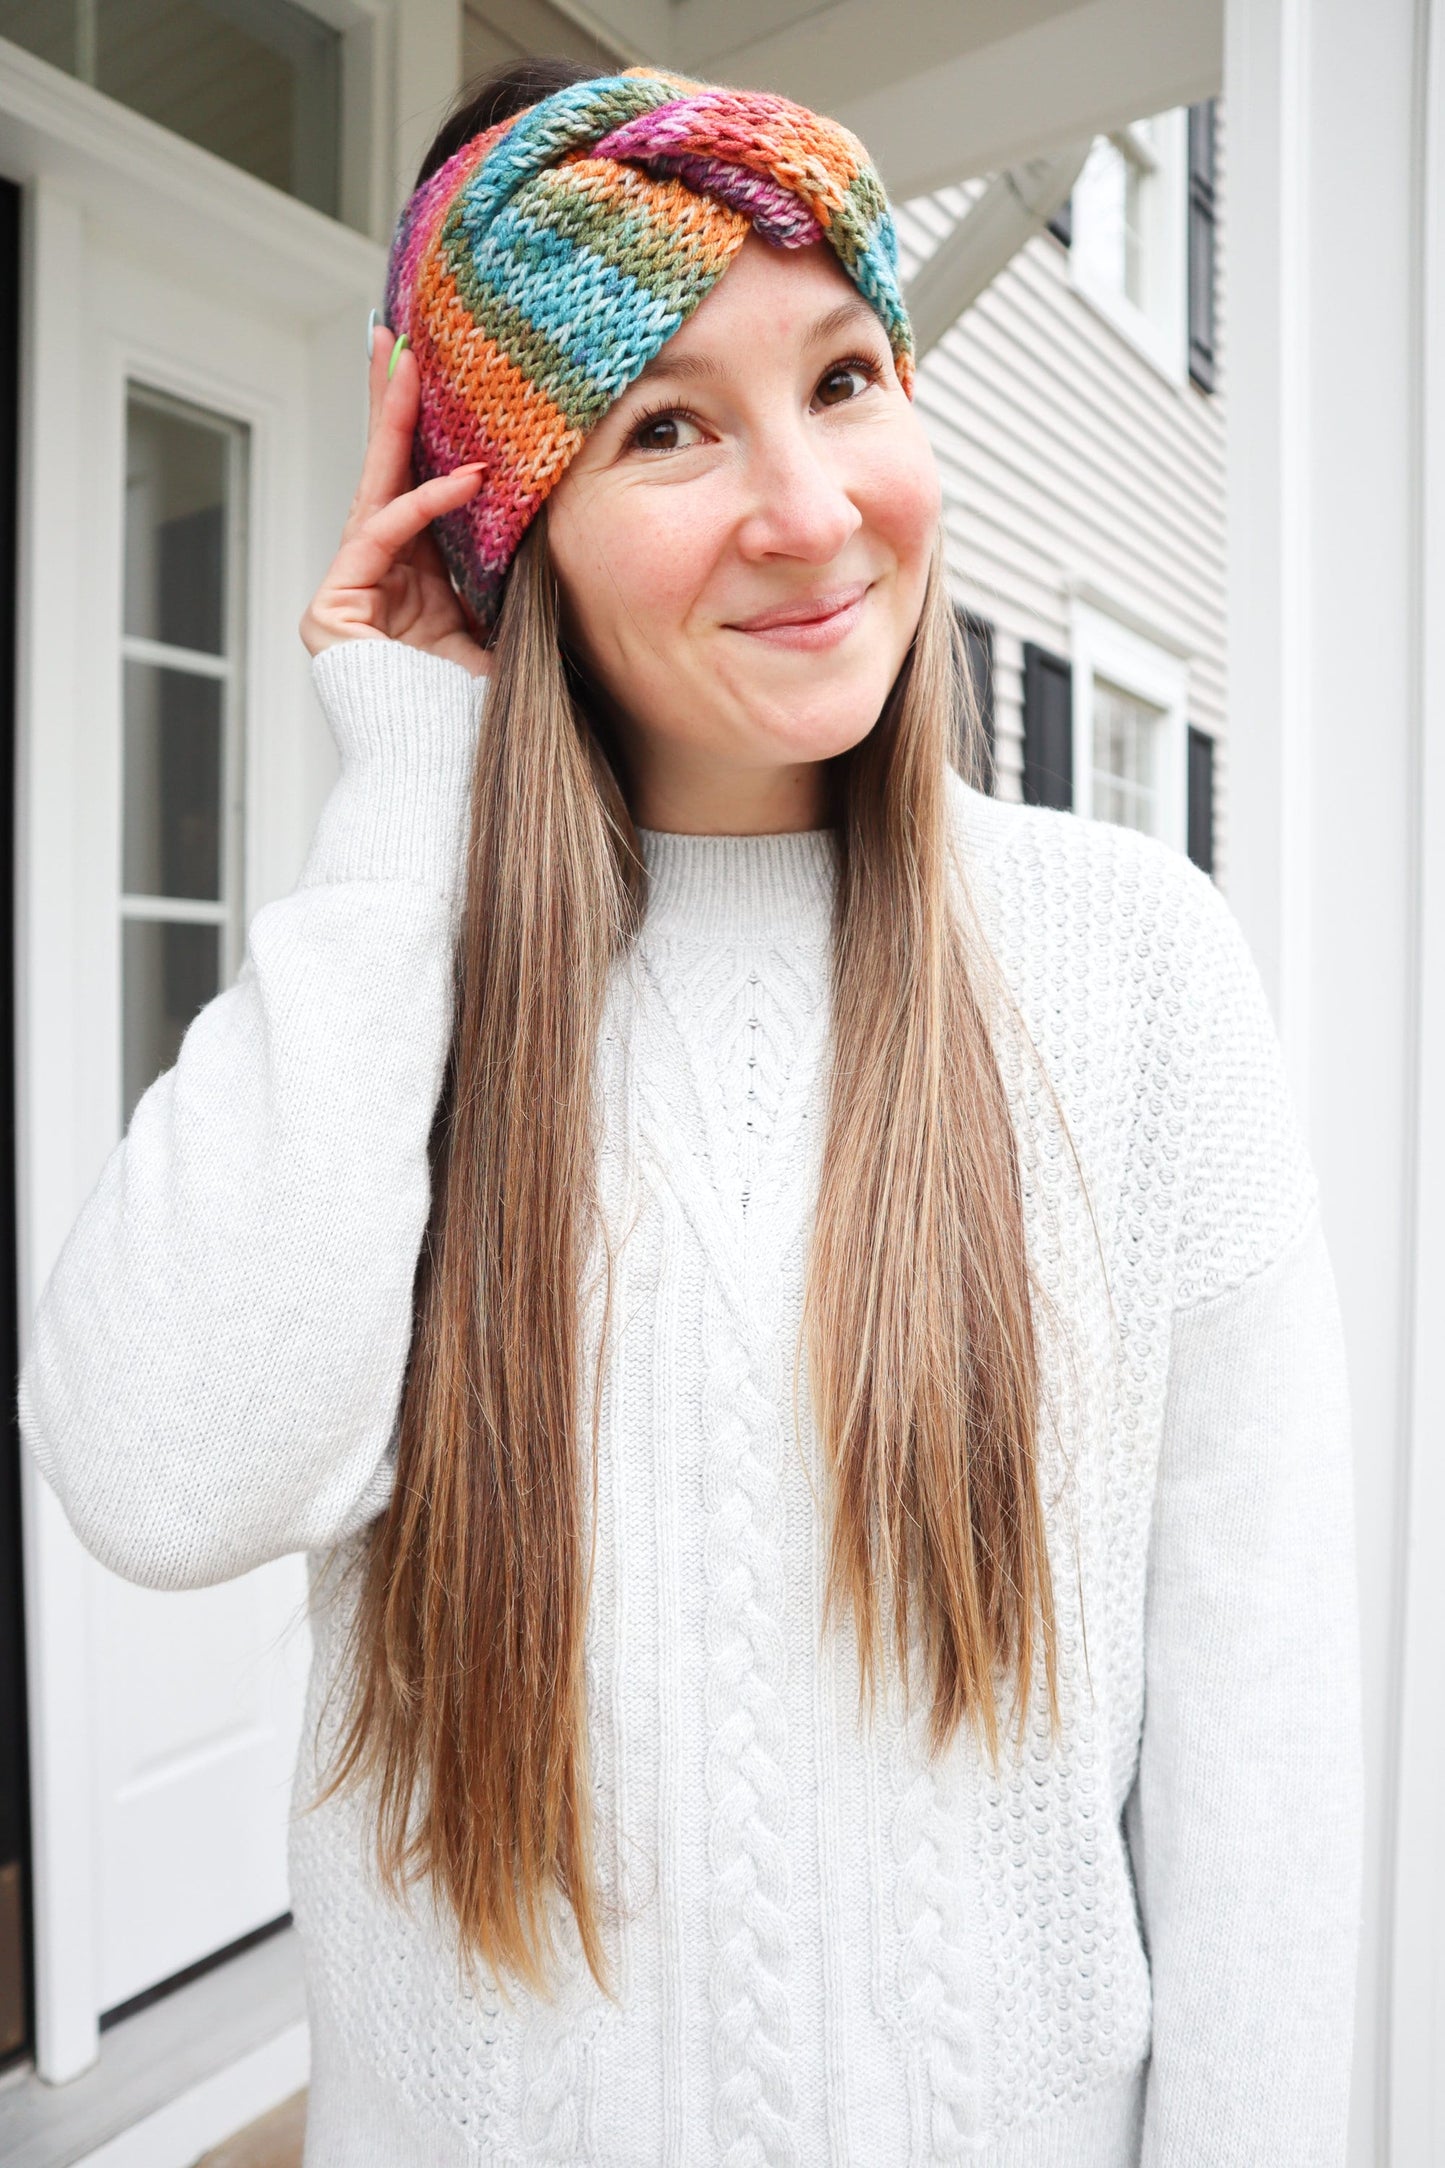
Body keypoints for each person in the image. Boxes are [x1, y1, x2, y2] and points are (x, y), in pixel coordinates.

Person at [19, 59, 1362, 2168]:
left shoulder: (1134, 967)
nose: (811, 510)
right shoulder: (397, 989)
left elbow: (1261, 1760)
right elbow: (163, 1473)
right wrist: (404, 797)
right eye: (662, 424)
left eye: (844, 376)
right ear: (504, 526)